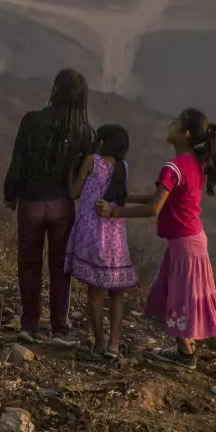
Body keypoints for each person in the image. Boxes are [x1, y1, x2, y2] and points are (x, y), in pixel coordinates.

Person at [96, 107, 216, 396]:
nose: (168, 125)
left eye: (174, 123)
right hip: (189, 242)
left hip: (186, 247)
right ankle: (184, 353)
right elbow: (167, 199)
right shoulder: (194, 163)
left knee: (198, 305)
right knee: (172, 294)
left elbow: (155, 208)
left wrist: (114, 211)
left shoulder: (173, 167)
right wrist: (132, 198)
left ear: (185, 134)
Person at [4, 68, 94, 346]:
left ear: (55, 89)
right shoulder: (84, 132)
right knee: (60, 268)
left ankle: (29, 325)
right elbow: (83, 174)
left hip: (30, 202)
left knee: (29, 264)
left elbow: (17, 160)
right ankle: (59, 330)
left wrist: (10, 193)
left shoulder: (32, 121)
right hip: (61, 205)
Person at [66, 123, 139, 360]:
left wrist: (70, 170)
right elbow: (123, 198)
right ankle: (113, 345)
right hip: (115, 237)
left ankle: (98, 341)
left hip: (91, 234)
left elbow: (75, 193)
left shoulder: (92, 161)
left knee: (95, 291)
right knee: (117, 292)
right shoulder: (123, 168)